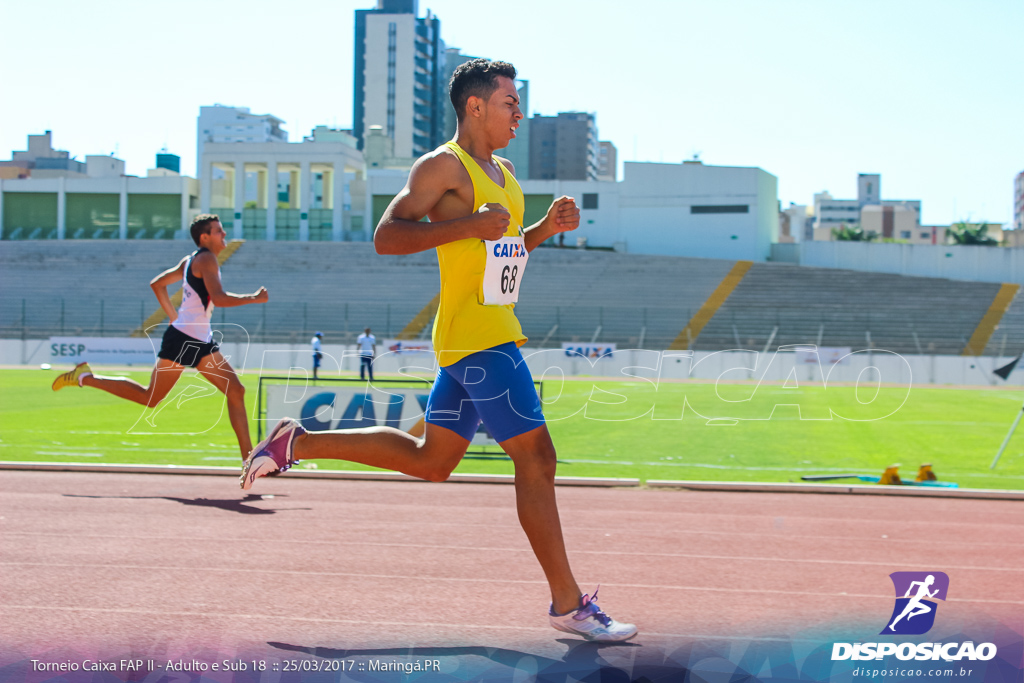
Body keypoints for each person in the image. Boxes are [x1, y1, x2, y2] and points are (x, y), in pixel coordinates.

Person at [240, 59, 636, 642]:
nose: (519, 114)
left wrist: (543, 230)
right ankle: (568, 604)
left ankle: (296, 441)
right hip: (480, 340)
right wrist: (466, 226)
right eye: (510, 103)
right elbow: (386, 237)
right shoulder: (442, 166)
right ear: (475, 106)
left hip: (480, 331)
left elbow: (497, 253)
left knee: (433, 462)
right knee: (538, 459)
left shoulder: (502, 171)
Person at [51, 214, 269, 461]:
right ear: (204, 237)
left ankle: (249, 460)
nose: (225, 235)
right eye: (219, 231)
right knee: (151, 397)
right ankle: (86, 378)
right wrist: (254, 298)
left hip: (195, 337)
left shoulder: (190, 260)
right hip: (186, 338)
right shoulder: (206, 259)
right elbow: (218, 298)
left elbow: (157, 284)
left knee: (234, 391)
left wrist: (173, 315)